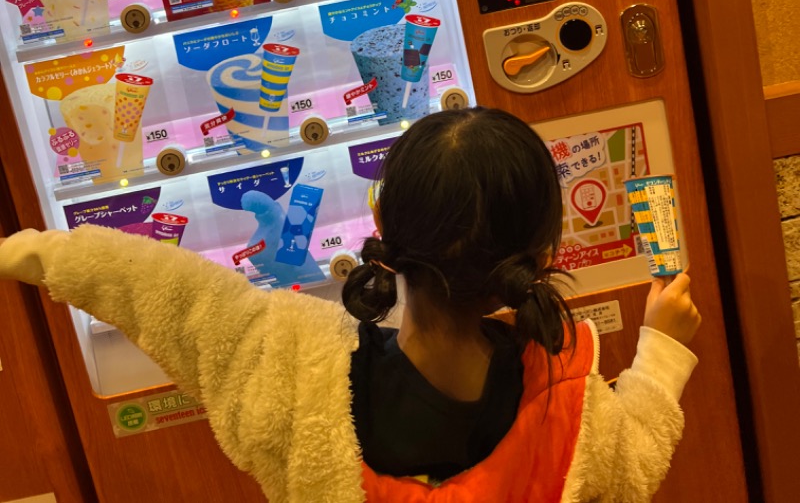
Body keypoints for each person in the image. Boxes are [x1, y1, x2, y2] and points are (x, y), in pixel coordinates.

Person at [0, 106, 700, 502]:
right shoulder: (568, 404)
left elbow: (161, 290)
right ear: (543, 255)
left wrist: (33, 253)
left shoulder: (292, 369)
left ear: (388, 239)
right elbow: (634, 456)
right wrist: (662, 348)